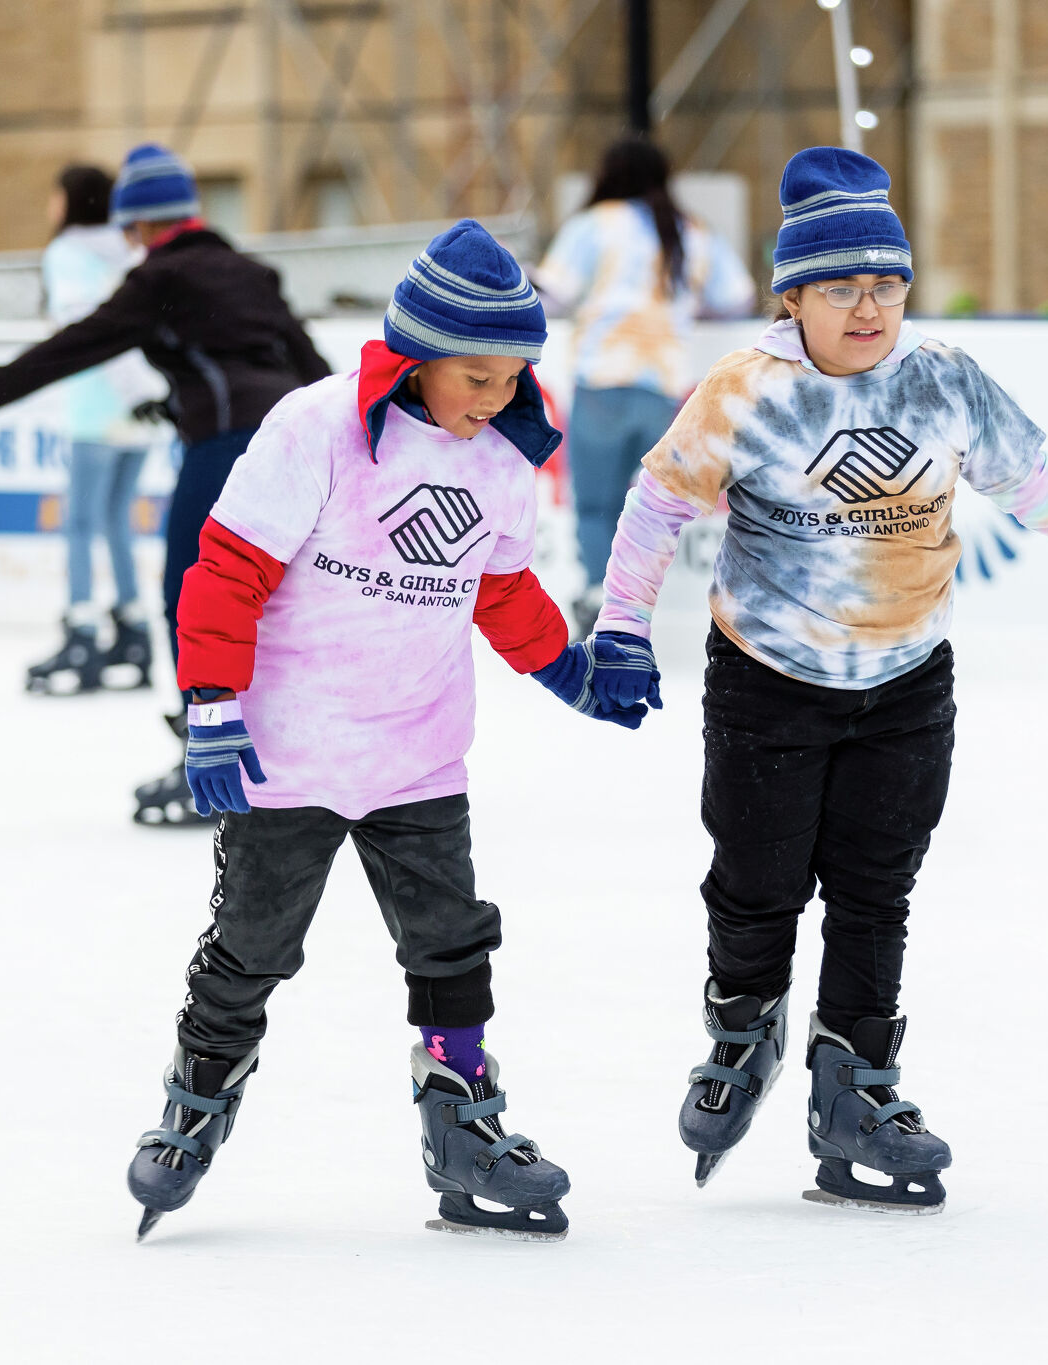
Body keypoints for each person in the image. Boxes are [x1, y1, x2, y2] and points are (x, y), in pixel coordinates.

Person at [590, 147, 1048, 1213]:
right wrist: (623, 628)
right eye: (841, 286)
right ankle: (740, 1030)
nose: (868, 307)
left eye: (887, 283)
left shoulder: (943, 381)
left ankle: (857, 1082)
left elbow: (1040, 488)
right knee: (758, 877)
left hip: (907, 679)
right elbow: (654, 505)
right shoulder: (745, 392)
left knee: (876, 890)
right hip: (769, 677)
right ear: (794, 294)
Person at [120, 220, 656, 1243]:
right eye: (477, 376)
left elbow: (498, 588)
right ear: (413, 355)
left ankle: (461, 1122)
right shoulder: (316, 427)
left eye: (513, 378)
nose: (497, 399)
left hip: (417, 750)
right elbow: (226, 574)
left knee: (450, 943)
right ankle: (193, 1102)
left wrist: (569, 674)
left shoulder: (500, 457)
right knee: (250, 946)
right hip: (289, 749)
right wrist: (213, 707)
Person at [0, 144, 331, 821]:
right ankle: (291, 746)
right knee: (283, 603)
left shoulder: (158, 280)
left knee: (191, 600)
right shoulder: (252, 272)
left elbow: (65, 350)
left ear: (135, 226)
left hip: (227, 452)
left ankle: (218, 756)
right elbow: (308, 366)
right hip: (300, 446)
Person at [535, 136, 755, 635]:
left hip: (603, 381)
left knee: (595, 503)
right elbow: (739, 296)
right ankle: (636, 604)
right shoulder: (691, 232)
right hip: (664, 391)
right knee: (651, 508)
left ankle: (597, 596)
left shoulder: (594, 224)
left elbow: (555, 292)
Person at [27, 164, 164, 695]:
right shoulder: (131, 248)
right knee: (116, 521)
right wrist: (145, 394)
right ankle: (133, 629)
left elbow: (85, 328)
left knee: (82, 522)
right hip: (142, 406)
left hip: (97, 406)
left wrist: (127, 390)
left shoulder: (66, 254)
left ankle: (81, 628)